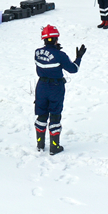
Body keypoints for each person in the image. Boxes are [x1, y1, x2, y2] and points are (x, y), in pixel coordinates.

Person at [33, 24, 85, 155]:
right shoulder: (60, 55)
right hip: (55, 88)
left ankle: (40, 145)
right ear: (56, 39)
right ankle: (54, 147)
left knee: (41, 114)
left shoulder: (37, 52)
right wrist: (79, 57)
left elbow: (47, 59)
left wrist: (53, 50)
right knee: (55, 115)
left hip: (41, 87)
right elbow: (73, 69)